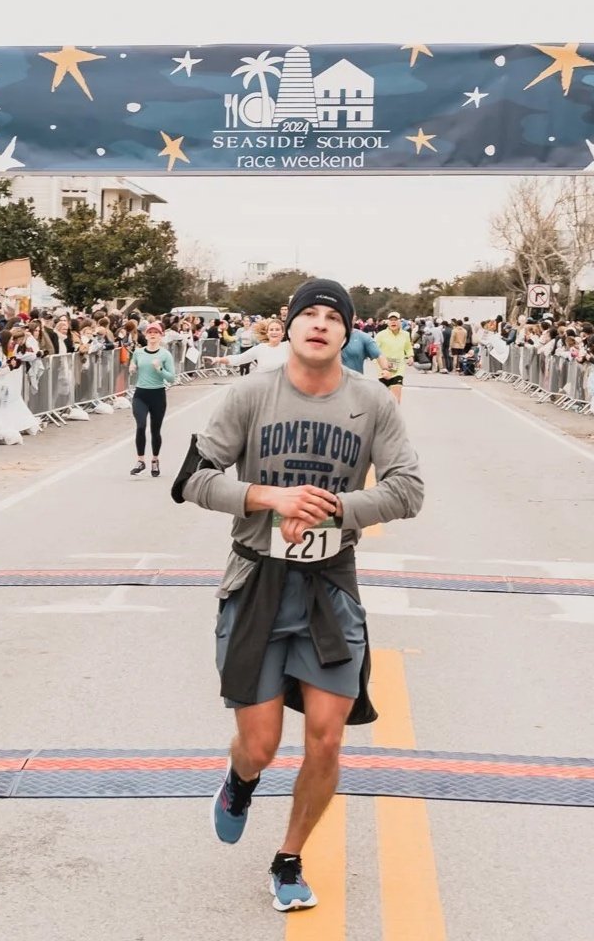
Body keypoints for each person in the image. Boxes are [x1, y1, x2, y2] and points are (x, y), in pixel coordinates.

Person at [173, 278, 423, 913]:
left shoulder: (373, 403)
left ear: (348, 331)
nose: (318, 323)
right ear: (287, 327)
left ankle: (288, 859)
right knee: (258, 744)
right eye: (306, 314)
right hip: (257, 581)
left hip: (330, 586)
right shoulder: (251, 394)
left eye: (330, 316)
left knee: (327, 737)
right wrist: (267, 496)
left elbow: (408, 490)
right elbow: (191, 481)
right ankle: (241, 778)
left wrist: (333, 508)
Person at [129, 322, 176, 477]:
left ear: (161, 335)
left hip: (157, 395)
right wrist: (132, 368)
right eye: (150, 332)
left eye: (156, 332)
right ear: (146, 335)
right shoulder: (138, 352)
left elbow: (171, 378)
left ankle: (155, 460)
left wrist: (160, 369)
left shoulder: (165, 355)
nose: (153, 335)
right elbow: (133, 365)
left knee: (155, 430)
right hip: (141, 394)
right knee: (141, 425)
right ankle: (140, 460)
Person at [210, 319, 288, 373]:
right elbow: (239, 359)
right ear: (267, 333)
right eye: (271, 330)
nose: (274, 332)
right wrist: (218, 359)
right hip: (265, 389)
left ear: (283, 333)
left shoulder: (289, 347)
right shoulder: (260, 348)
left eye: (277, 330)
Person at [374, 312, 414, 402]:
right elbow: (373, 350)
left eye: (395, 320)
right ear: (387, 322)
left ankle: (394, 415)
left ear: (400, 322)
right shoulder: (381, 335)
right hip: (384, 370)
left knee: (396, 399)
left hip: (398, 370)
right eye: (391, 320)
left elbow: (408, 347)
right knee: (384, 400)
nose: (393, 322)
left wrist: (410, 356)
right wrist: (381, 365)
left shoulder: (405, 334)